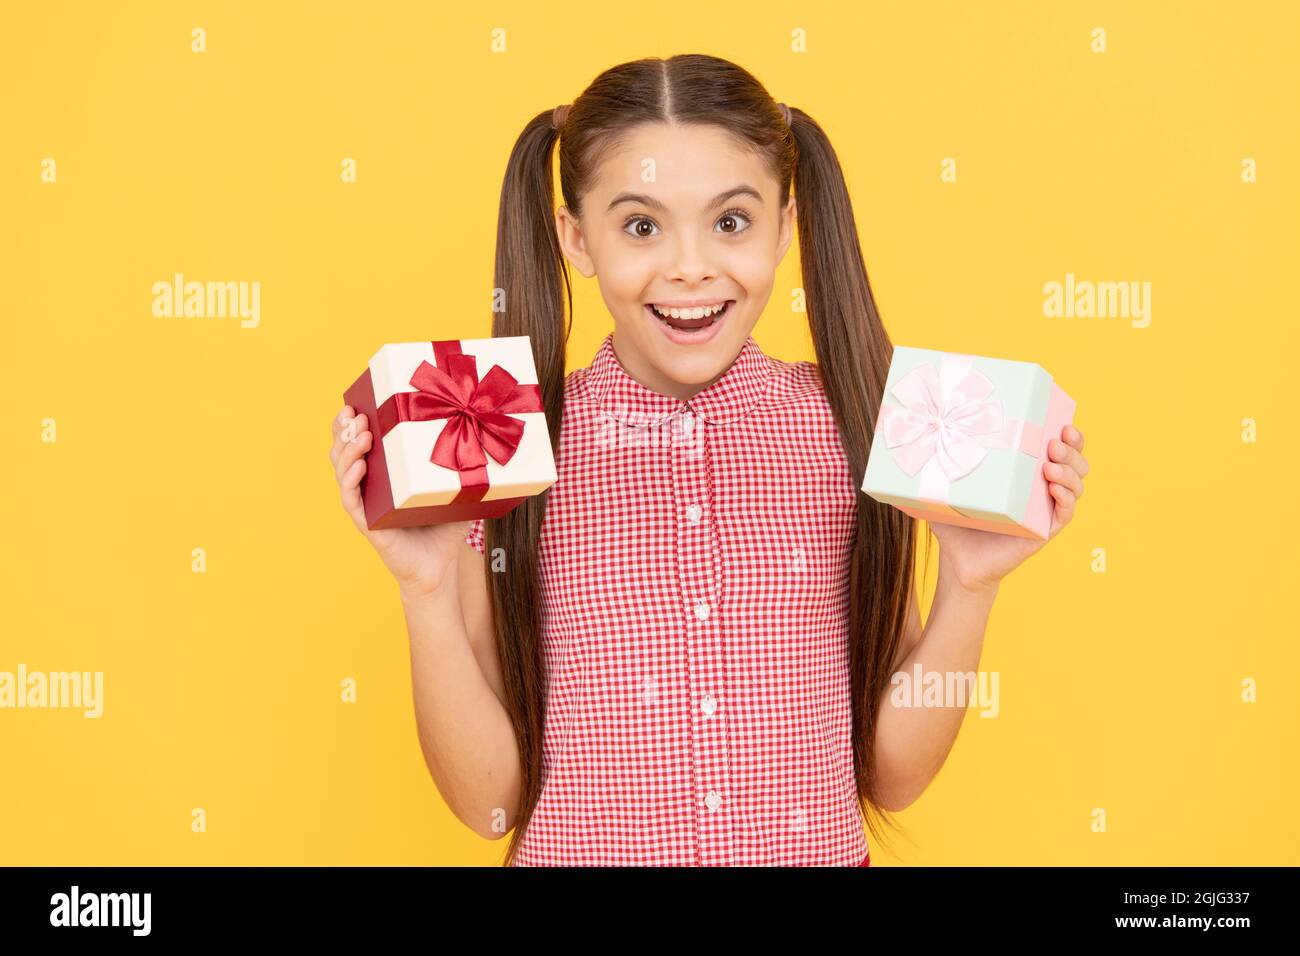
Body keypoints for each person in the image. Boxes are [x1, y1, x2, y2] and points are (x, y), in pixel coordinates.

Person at [327, 54, 1090, 867]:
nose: (690, 267)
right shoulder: (505, 443)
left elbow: (895, 777)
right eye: (642, 226)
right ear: (576, 237)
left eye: (730, 222)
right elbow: (488, 806)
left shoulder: (858, 430)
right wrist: (429, 589)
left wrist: (969, 586)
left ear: (787, 227)